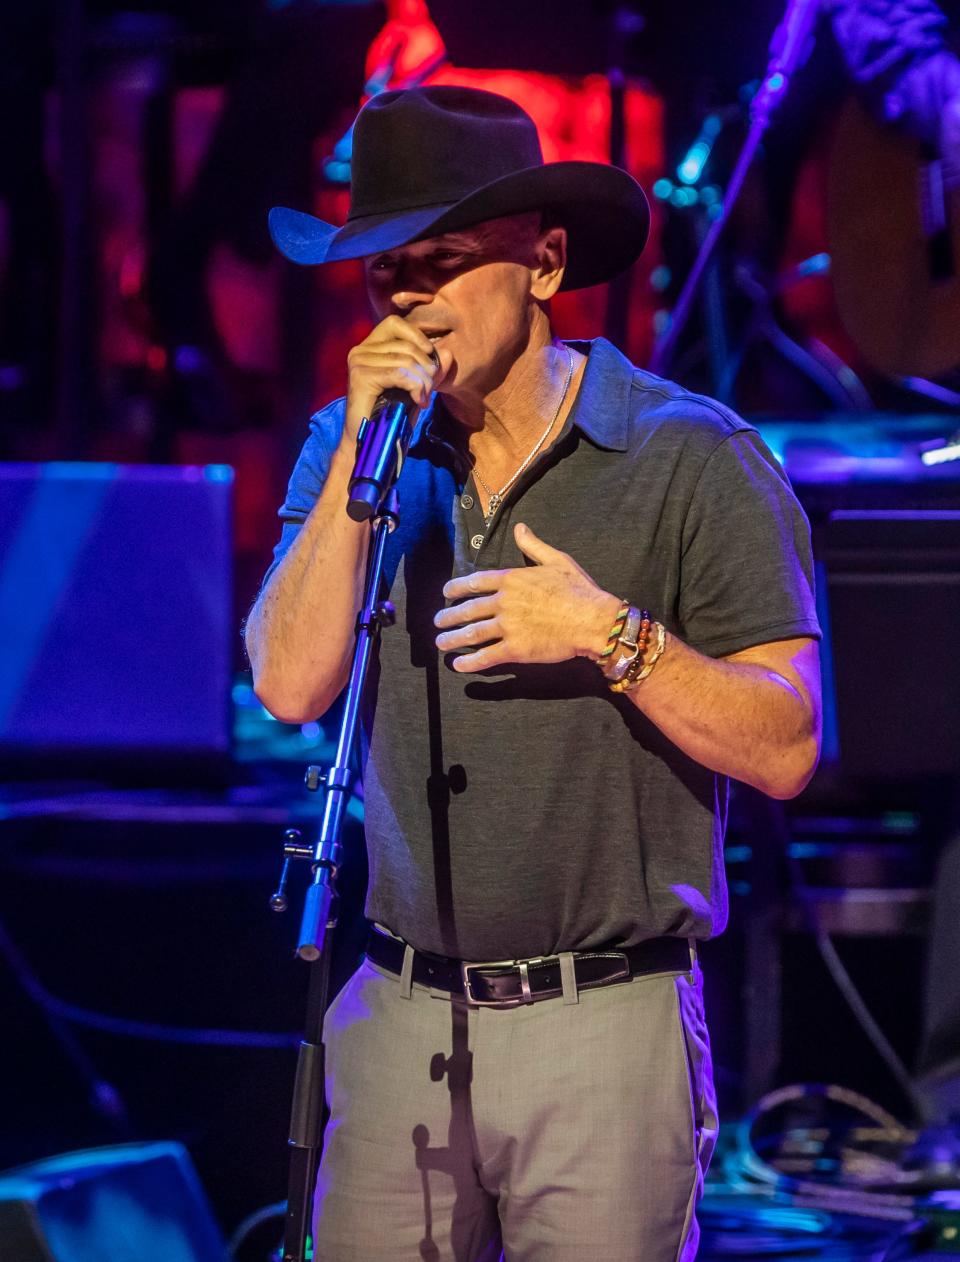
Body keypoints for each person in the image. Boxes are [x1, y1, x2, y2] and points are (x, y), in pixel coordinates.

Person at [246, 85, 822, 1262]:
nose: (406, 297)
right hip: (399, 1010)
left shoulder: (689, 455)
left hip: (602, 1021)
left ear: (546, 265)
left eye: (440, 263)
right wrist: (360, 441)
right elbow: (290, 685)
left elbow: (789, 743)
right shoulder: (354, 450)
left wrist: (613, 635)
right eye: (382, 271)